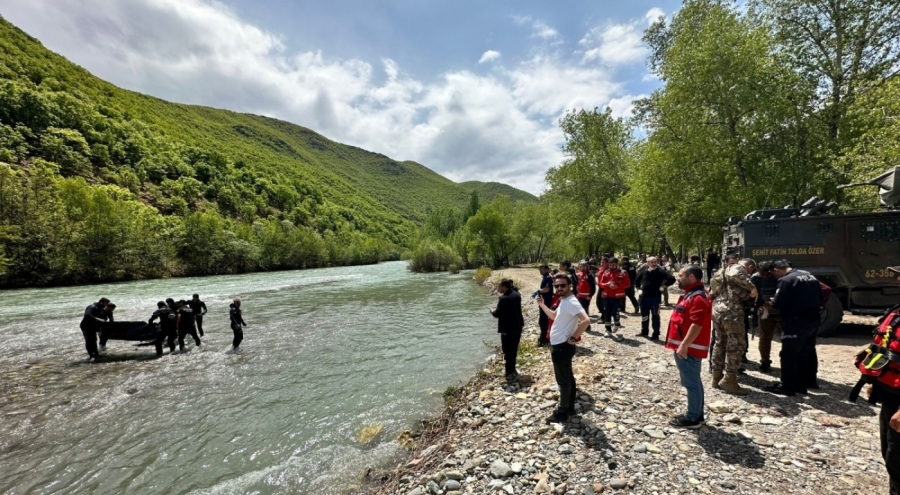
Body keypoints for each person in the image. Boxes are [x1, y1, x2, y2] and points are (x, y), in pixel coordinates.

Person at [851, 265, 900, 493]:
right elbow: (882, 349)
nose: (898, 280)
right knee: (891, 456)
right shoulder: (896, 311)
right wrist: (873, 382)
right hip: (889, 394)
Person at [536, 274, 590, 423]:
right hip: (559, 345)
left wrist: (573, 337)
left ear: (570, 286)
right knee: (568, 377)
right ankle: (570, 406)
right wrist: (542, 304)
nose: (559, 288)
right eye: (557, 285)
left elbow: (586, 320)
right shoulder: (564, 300)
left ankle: (562, 412)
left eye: (563, 285)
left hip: (562, 347)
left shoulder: (572, 302)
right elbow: (554, 316)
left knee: (563, 381)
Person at [765, 260, 823, 396]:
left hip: (795, 322)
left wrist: (770, 302)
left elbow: (779, 302)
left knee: (788, 355)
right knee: (804, 353)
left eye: (774, 274)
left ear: (777, 269)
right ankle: (801, 385)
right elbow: (821, 296)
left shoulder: (786, 280)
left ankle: (787, 386)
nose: (775, 277)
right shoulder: (809, 275)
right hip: (813, 320)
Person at [666, 266, 713, 428]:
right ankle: (697, 415)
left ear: (691, 277)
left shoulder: (698, 297)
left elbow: (697, 324)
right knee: (694, 381)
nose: (677, 278)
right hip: (687, 347)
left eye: (680, 275)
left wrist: (684, 345)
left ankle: (693, 418)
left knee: (691, 383)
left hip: (689, 349)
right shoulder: (691, 294)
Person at [709, 253, 757, 395]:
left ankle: (716, 377)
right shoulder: (735, 268)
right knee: (736, 345)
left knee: (720, 342)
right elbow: (735, 274)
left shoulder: (720, 271)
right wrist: (752, 288)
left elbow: (712, 291)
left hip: (718, 310)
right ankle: (729, 380)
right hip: (731, 312)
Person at [491, 279, 525, 383]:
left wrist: (492, 311)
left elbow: (498, 314)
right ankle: (512, 369)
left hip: (507, 328)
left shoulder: (503, 299)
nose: (498, 289)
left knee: (507, 350)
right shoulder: (517, 295)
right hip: (517, 326)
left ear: (504, 287)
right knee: (514, 348)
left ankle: (509, 372)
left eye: (499, 287)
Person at [634, 256, 676, 340]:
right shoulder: (644, 271)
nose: (654, 264)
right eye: (651, 262)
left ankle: (656, 333)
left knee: (655, 316)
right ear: (647, 263)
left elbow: (672, 279)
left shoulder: (660, 271)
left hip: (655, 298)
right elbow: (636, 281)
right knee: (644, 315)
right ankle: (644, 331)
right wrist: (639, 289)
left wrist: (663, 286)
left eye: (655, 262)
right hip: (644, 297)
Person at [752, 261, 781, 371]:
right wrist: (760, 305)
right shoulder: (756, 278)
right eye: (762, 274)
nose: (765, 276)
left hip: (781, 311)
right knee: (764, 338)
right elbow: (753, 294)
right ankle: (765, 361)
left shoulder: (780, 277)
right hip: (765, 312)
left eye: (767, 274)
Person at [598, 257, 630, 338]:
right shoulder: (606, 272)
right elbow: (600, 283)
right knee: (607, 313)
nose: (612, 266)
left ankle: (616, 323)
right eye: (610, 265)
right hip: (607, 296)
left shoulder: (623, 273)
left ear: (617, 265)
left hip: (617, 297)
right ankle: (608, 330)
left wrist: (617, 286)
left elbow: (627, 284)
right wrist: (607, 284)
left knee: (615, 312)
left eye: (613, 265)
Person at [536, 265, 553, 346]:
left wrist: (538, 291)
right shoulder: (545, 277)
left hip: (546, 302)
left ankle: (544, 338)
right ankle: (544, 336)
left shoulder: (548, 278)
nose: (540, 271)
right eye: (539, 269)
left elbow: (547, 289)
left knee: (543, 321)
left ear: (546, 269)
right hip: (544, 301)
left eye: (542, 269)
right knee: (543, 320)